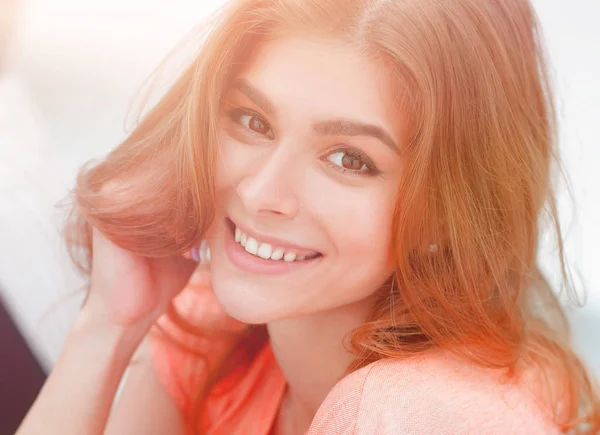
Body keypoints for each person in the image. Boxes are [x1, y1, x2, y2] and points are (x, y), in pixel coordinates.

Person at [15, 0, 600, 434]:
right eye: (252, 121)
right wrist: (109, 326)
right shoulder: (214, 327)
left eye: (349, 159)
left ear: (449, 212)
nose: (263, 192)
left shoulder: (410, 414)